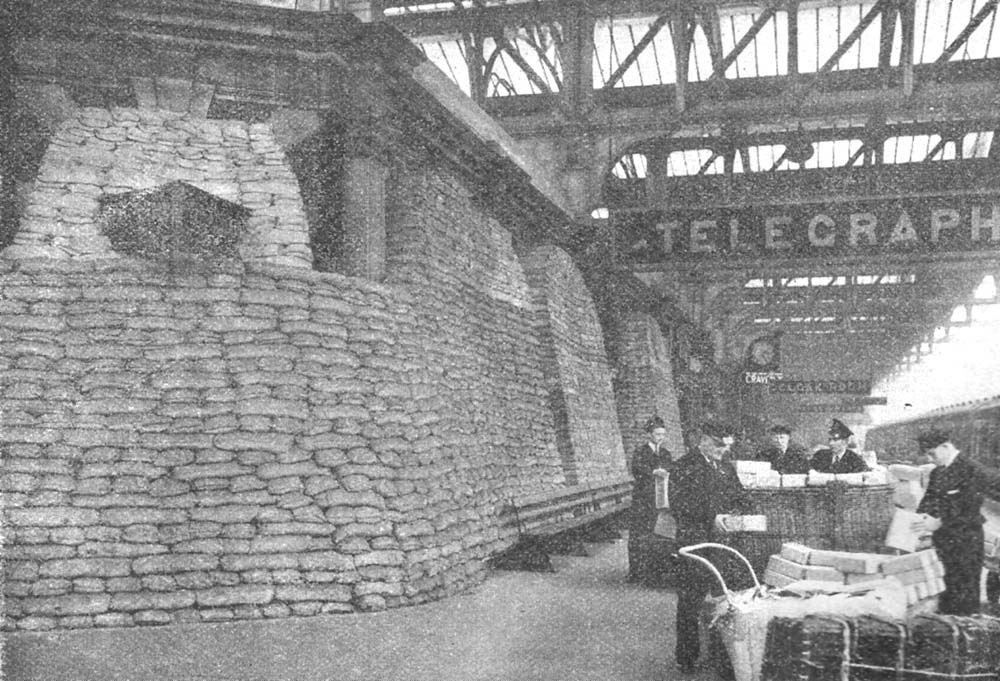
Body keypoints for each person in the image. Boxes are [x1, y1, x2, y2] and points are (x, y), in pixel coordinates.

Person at [670, 422, 750, 674]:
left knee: (722, 599)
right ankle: (687, 657)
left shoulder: (725, 466)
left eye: (726, 445)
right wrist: (711, 517)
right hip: (694, 543)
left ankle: (722, 656)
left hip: (720, 544)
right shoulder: (684, 466)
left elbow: (739, 494)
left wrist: (741, 509)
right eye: (718, 444)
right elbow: (679, 504)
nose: (723, 450)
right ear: (702, 440)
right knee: (690, 601)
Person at [912, 429, 1000, 615]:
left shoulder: (972, 470)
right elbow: (927, 503)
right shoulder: (937, 473)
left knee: (963, 600)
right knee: (943, 596)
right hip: (942, 545)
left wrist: (939, 523)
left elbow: (969, 511)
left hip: (965, 545)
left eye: (932, 453)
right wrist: (918, 519)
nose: (929, 459)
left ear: (945, 447)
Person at [628, 415, 672, 584]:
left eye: (662, 434)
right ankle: (636, 572)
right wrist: (653, 472)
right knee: (639, 533)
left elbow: (670, 469)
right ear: (649, 435)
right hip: (643, 497)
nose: (660, 438)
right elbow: (637, 469)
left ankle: (654, 573)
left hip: (659, 498)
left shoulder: (666, 453)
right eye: (657, 434)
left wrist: (665, 471)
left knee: (657, 532)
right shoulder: (641, 451)